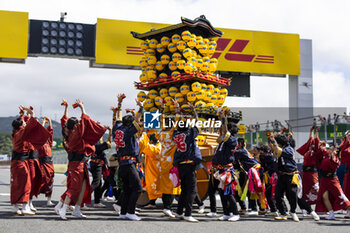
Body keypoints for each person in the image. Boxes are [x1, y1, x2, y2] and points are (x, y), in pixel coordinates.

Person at [55, 99, 106, 220]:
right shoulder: (75, 134)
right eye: (77, 124)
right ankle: (63, 208)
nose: (79, 124)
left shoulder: (69, 132)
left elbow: (65, 121)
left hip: (80, 163)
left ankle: (76, 209)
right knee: (74, 187)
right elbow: (85, 121)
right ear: (75, 126)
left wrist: (67, 108)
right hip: (76, 164)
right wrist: (82, 108)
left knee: (84, 186)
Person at [10, 106, 50, 215]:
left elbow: (25, 126)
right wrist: (31, 114)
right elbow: (30, 127)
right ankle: (24, 207)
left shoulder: (15, 133)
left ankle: (15, 206)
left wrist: (23, 115)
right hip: (21, 162)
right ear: (20, 126)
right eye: (23, 122)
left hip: (16, 162)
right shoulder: (21, 133)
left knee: (16, 184)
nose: (24, 123)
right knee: (26, 184)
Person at [112, 94, 143, 221]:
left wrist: (119, 104)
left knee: (127, 189)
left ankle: (123, 212)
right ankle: (130, 211)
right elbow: (137, 121)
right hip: (129, 163)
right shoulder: (129, 131)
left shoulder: (117, 129)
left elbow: (118, 118)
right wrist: (141, 108)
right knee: (137, 188)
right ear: (130, 125)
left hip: (122, 165)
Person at [173, 101, 202, 223]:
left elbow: (176, 123)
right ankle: (188, 214)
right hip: (189, 165)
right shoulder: (190, 133)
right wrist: (194, 110)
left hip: (180, 166)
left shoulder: (175, 134)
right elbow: (198, 124)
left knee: (184, 190)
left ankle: (179, 212)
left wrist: (177, 109)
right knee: (191, 190)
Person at [211, 110, 240, 221]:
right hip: (220, 169)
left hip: (227, 170)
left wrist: (224, 119)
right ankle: (227, 213)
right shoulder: (223, 141)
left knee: (228, 193)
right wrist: (221, 120)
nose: (222, 131)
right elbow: (221, 131)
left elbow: (224, 130)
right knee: (222, 193)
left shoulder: (232, 140)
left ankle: (236, 213)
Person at [314, 135, 350, 219]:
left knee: (341, 197)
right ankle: (331, 213)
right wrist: (317, 138)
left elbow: (334, 165)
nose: (330, 150)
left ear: (335, 151)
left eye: (332, 149)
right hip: (324, 179)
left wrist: (333, 156)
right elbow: (318, 151)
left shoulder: (336, 159)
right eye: (330, 149)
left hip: (332, 180)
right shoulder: (326, 155)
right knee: (324, 196)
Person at [269, 133, 300, 222]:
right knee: (278, 194)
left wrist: (273, 141)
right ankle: (283, 213)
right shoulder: (281, 148)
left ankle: (293, 212)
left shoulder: (289, 149)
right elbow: (275, 151)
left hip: (291, 175)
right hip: (282, 175)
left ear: (280, 143)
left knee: (292, 195)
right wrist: (272, 140)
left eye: (277, 142)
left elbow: (278, 150)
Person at [234, 138, 267, 216]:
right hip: (256, 170)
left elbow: (231, 155)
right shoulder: (243, 151)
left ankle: (254, 209)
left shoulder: (240, 151)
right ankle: (261, 209)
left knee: (251, 189)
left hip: (254, 170)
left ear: (238, 144)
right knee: (256, 190)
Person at [89, 127, 112, 208]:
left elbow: (107, 143)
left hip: (97, 164)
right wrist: (110, 132)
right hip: (96, 164)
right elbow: (108, 143)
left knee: (98, 183)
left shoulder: (94, 140)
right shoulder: (96, 143)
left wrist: (109, 132)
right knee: (96, 183)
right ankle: (82, 200)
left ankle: (97, 201)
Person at [255, 143, 278, 216]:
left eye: (260, 150)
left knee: (270, 193)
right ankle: (275, 209)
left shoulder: (267, 157)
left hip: (270, 177)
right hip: (269, 177)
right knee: (271, 193)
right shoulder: (268, 155)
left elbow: (263, 159)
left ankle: (275, 209)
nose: (259, 152)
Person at [140, 132, 162, 208]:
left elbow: (143, 145)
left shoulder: (150, 148)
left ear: (151, 141)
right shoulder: (161, 146)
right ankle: (153, 203)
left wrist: (143, 134)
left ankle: (163, 206)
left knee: (153, 187)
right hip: (160, 171)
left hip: (153, 172)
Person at [38, 117, 55, 206]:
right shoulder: (38, 141)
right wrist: (43, 123)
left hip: (49, 163)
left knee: (50, 181)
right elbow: (40, 132)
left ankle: (49, 200)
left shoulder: (48, 141)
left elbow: (50, 133)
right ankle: (29, 201)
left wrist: (50, 122)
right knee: (38, 181)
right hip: (41, 163)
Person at [340, 130, 350, 206]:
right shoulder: (346, 146)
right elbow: (342, 150)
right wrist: (346, 139)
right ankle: (347, 207)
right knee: (347, 189)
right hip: (348, 171)